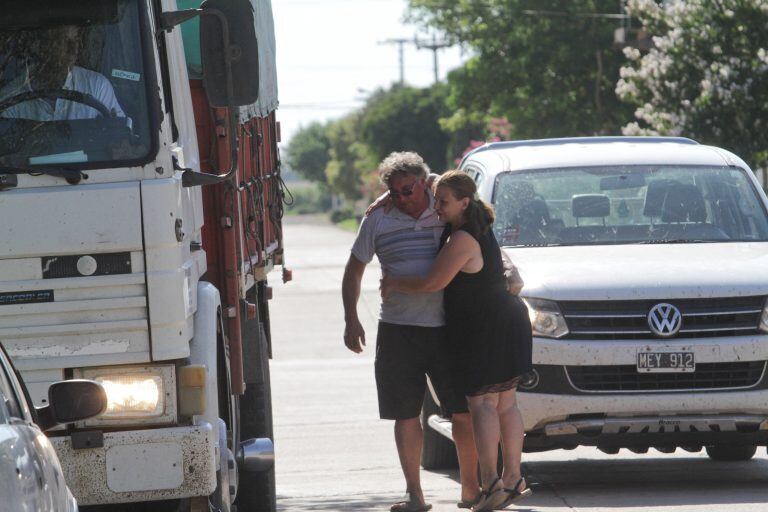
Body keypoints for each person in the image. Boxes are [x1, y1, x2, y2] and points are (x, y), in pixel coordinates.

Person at [381, 170, 534, 512]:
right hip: (506, 320)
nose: (437, 206)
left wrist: (393, 282)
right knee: (506, 404)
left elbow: (431, 283)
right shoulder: (477, 226)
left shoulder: (462, 238)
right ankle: (513, 479)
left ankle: (492, 482)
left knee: (482, 404)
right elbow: (434, 177)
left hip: (484, 327)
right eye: (435, 199)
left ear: (464, 203)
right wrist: (385, 197)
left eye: (444, 202)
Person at [342, 152, 481, 512]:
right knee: (405, 414)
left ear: (423, 183)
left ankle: (470, 491)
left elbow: (465, 199)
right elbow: (355, 268)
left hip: (447, 329)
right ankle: (415, 495)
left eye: (408, 190)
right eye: (395, 192)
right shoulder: (377, 219)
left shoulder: (442, 208)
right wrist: (351, 318)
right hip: (398, 331)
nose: (402, 198)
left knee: (462, 411)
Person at [0, 25, 126, 121]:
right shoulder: (9, 100)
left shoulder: (97, 86)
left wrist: (118, 138)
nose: (73, 49)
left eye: (75, 41)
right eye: (63, 41)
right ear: (42, 47)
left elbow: (122, 140)